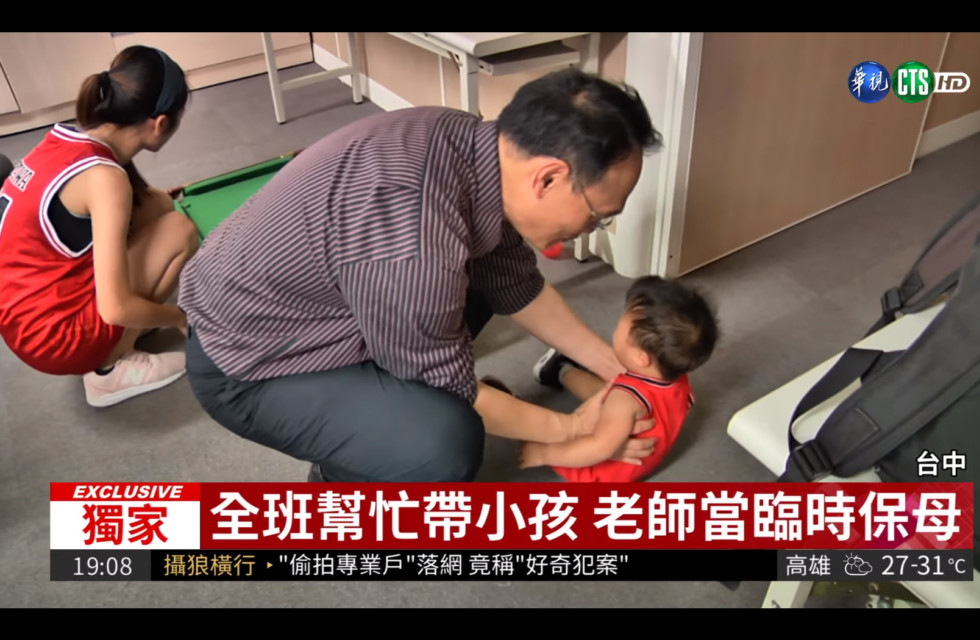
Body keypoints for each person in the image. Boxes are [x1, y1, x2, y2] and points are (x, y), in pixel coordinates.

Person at [179, 68, 663, 483]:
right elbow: (449, 383)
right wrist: (574, 430)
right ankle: (339, 477)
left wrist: (616, 370)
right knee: (443, 442)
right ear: (549, 178)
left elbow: (515, 284)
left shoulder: (473, 146)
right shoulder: (414, 239)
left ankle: (383, 400)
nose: (593, 228)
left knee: (476, 288)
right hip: (247, 364)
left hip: (324, 304)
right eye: (599, 216)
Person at [0, 46, 199, 408]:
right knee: (178, 230)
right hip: (53, 341)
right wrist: (182, 317)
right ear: (160, 124)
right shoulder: (105, 178)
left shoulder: (67, 139)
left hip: (24, 314)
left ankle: (122, 334)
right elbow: (115, 309)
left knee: (157, 205)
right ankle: (108, 368)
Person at [518, 276, 719, 481]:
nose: (616, 323)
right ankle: (560, 370)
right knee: (606, 394)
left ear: (641, 358)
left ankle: (544, 379)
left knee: (529, 428)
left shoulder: (624, 399)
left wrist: (544, 454)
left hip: (599, 473)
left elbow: (598, 448)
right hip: (646, 458)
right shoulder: (677, 377)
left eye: (619, 327)